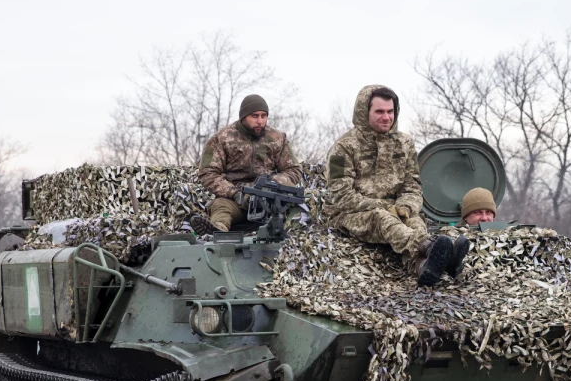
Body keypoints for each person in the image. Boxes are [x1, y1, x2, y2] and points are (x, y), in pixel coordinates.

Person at [325, 85, 468, 286]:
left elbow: (412, 185)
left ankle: (425, 267)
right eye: (380, 112)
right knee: (384, 219)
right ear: (364, 112)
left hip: (396, 209)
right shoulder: (342, 149)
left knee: (415, 222)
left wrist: (405, 207)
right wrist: (386, 208)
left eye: (390, 111)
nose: (386, 117)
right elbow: (341, 196)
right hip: (351, 215)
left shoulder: (404, 143)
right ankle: (429, 247)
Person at [198, 94, 303, 231]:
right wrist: (235, 194)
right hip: (235, 201)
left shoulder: (277, 138)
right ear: (243, 117)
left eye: (263, 116)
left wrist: (273, 184)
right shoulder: (222, 138)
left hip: (271, 201)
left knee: (299, 204)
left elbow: (294, 169)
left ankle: (293, 232)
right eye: (255, 116)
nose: (260, 121)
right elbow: (208, 173)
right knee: (221, 207)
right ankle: (218, 230)